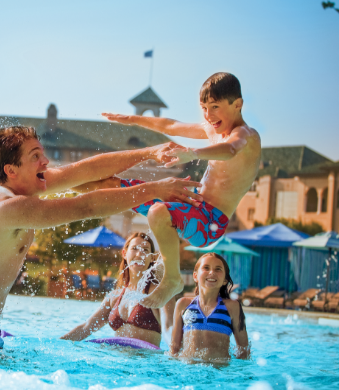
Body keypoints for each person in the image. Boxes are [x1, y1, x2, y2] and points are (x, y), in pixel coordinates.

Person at [0, 126, 203, 350]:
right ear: (11, 170)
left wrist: (151, 152)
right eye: (35, 156)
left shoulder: (20, 185)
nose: (45, 161)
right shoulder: (7, 207)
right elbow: (86, 207)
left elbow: (83, 171)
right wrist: (156, 190)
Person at [91, 72, 262, 309]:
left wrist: (192, 153)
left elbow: (230, 150)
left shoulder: (247, 136)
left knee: (158, 212)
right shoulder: (212, 130)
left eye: (214, 107)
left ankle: (171, 279)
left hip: (210, 222)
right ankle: (64, 193)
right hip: (189, 205)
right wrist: (132, 119)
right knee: (116, 186)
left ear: (237, 105)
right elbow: (169, 125)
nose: (208, 115)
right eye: (204, 107)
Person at [61, 232, 174, 348]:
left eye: (145, 250)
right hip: (116, 359)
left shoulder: (159, 293)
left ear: (152, 258)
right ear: (124, 253)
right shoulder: (114, 297)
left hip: (145, 360)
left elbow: (170, 328)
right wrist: (60, 343)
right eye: (134, 248)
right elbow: (86, 327)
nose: (139, 254)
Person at [170, 253, 249, 361]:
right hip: (188, 371)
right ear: (195, 276)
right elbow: (174, 348)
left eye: (218, 269)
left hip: (218, 373)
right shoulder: (183, 304)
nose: (212, 272)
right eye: (206, 268)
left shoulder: (233, 307)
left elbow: (244, 350)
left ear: (225, 280)